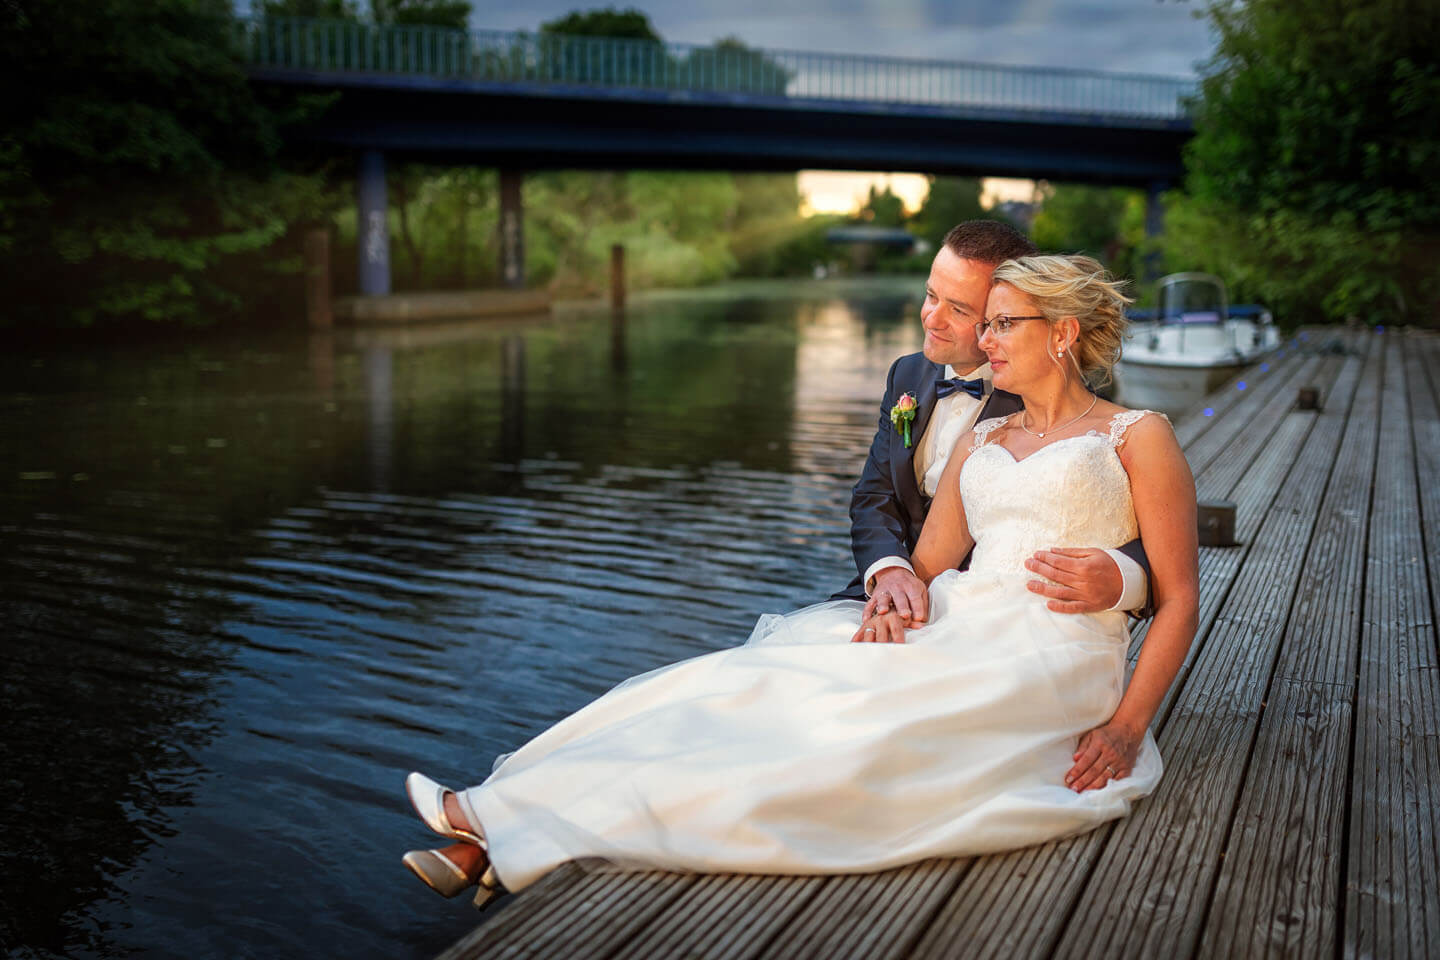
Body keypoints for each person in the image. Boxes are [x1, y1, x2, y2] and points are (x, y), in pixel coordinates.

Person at [399, 254, 1200, 908]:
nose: (981, 339)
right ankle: (498, 821)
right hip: (960, 619)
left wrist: (1129, 725)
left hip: (1051, 654)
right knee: (749, 684)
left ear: (1062, 333)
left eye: (1001, 323)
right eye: (981, 322)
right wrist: (895, 595)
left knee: (842, 735)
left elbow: (1179, 596)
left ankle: (505, 836)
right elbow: (925, 565)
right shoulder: (982, 439)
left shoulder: (1136, 435)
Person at [838, 220, 1152, 625]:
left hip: (1009, 613)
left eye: (959, 309)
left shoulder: (1057, 403)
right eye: (931, 295)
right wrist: (890, 570)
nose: (932, 319)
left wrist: (1126, 576)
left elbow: (1141, 530)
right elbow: (874, 494)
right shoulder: (907, 374)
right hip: (897, 589)